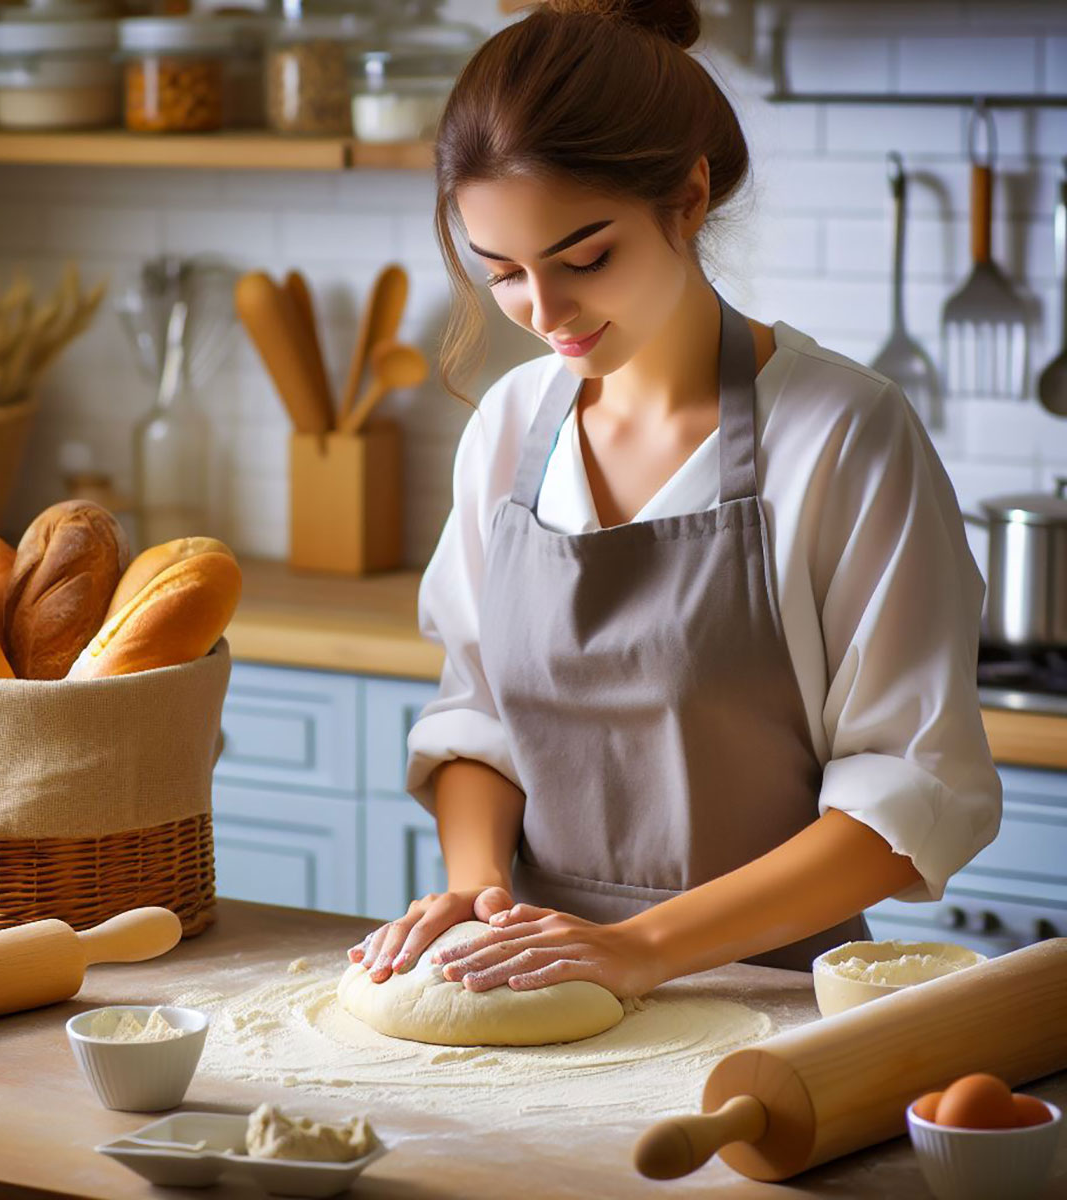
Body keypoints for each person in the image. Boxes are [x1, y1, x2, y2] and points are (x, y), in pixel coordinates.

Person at [347, 0, 1001, 999]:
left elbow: (906, 799)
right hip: (541, 987)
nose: (546, 313)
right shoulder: (511, 427)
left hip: (779, 1005)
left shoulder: (844, 436)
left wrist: (644, 949)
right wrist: (476, 895)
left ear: (688, 198)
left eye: (584, 258)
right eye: (505, 275)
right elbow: (477, 714)